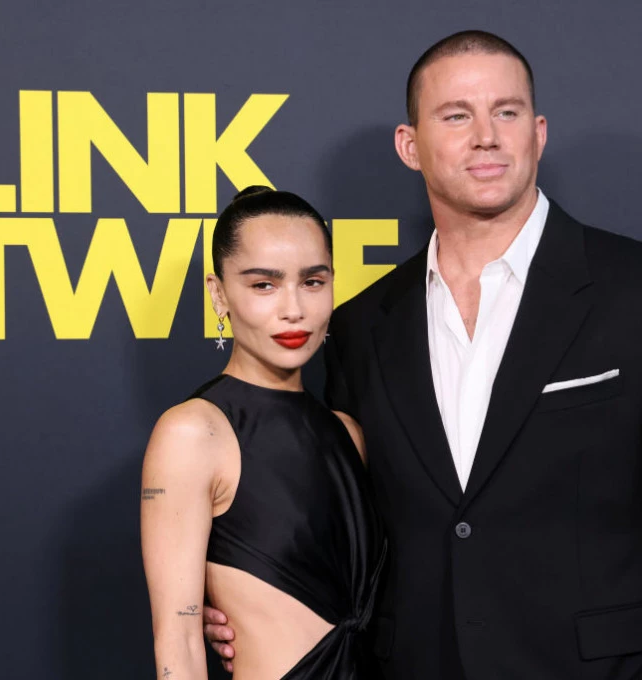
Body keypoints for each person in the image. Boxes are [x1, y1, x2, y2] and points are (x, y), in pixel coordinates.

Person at [205, 30, 642, 679]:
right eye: (457, 116)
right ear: (410, 146)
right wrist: (253, 599)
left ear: (538, 132)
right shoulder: (359, 327)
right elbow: (342, 520)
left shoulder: (629, 288)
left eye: (507, 112)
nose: (486, 136)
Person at [141, 186, 386, 680]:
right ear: (219, 293)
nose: (293, 309)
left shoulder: (348, 434)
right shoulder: (193, 434)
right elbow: (179, 642)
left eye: (312, 281)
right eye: (264, 285)